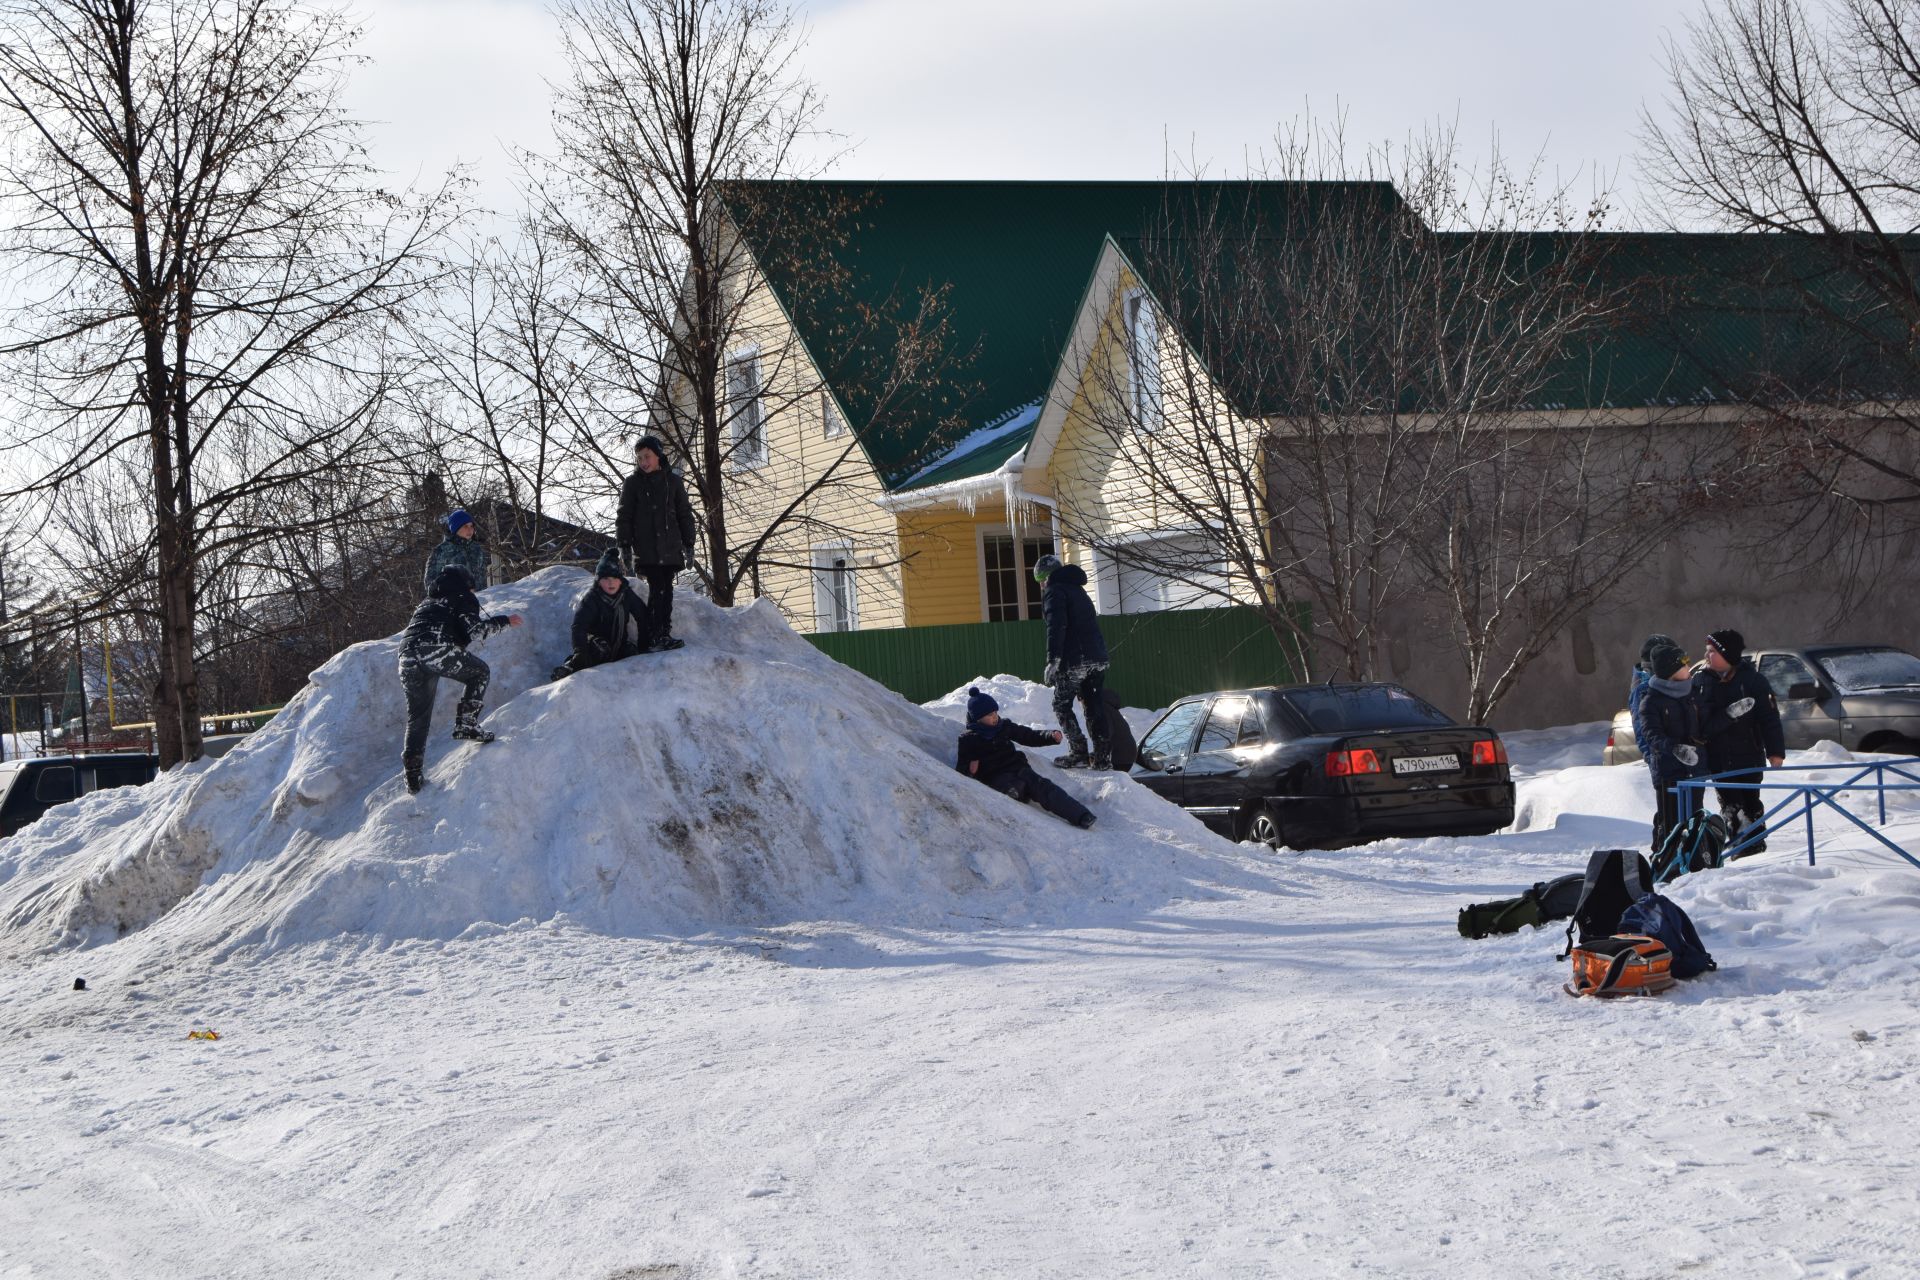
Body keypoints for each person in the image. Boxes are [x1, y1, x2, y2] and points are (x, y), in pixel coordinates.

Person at [398, 565, 522, 794]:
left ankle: (412, 775)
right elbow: (475, 630)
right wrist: (505, 621)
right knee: (479, 672)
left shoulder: (427, 602)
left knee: (418, 717)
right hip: (436, 648)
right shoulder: (463, 595)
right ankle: (467, 723)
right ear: (467, 583)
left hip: (406, 657)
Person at [1693, 628, 1786, 853]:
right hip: (1719, 758)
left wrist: (1775, 750)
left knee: (1752, 803)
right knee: (1731, 805)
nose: (1707, 656)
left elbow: (1769, 718)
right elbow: (1699, 724)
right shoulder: (1701, 681)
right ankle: (1738, 847)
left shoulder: (1753, 680)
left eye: (1712, 651)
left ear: (1728, 655)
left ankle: (1756, 845)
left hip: (1749, 755)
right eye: (1707, 651)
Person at [954, 687, 1095, 829]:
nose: (995, 717)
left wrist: (1049, 736)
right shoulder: (968, 739)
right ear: (978, 718)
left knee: (1045, 788)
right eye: (990, 715)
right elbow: (961, 770)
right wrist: (971, 769)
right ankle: (1016, 793)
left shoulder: (1004, 726)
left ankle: (1081, 815)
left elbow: (1027, 735)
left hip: (1018, 767)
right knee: (1010, 788)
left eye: (996, 712)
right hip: (996, 775)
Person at [616, 435, 698, 652]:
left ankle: (662, 632)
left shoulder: (674, 482)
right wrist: (624, 546)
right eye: (640, 458)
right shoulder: (632, 484)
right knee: (657, 588)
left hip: (670, 548)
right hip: (647, 548)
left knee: (666, 590)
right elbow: (624, 516)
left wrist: (689, 543)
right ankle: (653, 635)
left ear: (658, 455)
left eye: (647, 456)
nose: (643, 461)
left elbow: (684, 515)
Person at [1033, 553, 1112, 769]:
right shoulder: (1078, 590)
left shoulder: (1054, 592)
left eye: (1041, 581)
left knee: (1061, 704)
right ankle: (1103, 758)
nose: (1041, 586)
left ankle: (1078, 752)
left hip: (1075, 660)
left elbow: (1056, 626)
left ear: (1047, 577)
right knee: (1094, 706)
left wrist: (1053, 659)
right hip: (1097, 657)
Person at [1640, 641, 1707, 852]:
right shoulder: (1651, 701)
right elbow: (1651, 735)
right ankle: (1666, 861)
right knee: (1671, 824)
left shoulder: (1693, 693)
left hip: (1695, 769)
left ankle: (1694, 859)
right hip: (1669, 772)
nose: (1689, 667)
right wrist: (1675, 749)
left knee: (1695, 819)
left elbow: (1706, 725)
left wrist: (1729, 716)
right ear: (1670, 672)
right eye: (1683, 664)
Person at [551, 551, 650, 681]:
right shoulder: (592, 599)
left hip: (619, 644)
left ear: (621, 580)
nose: (611, 583)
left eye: (615, 578)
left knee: (631, 653)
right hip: (596, 643)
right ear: (598, 581)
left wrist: (644, 643)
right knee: (594, 654)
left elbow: (642, 616)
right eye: (606, 579)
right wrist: (580, 652)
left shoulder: (627, 595)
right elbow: (579, 627)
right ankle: (570, 667)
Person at [1627, 632, 1678, 762]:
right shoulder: (1643, 689)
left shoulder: (1665, 682)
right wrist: (1653, 758)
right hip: (1663, 760)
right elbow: (1642, 729)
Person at [423, 508, 490, 594]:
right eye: (465, 526)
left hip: (480, 600)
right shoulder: (441, 551)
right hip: (452, 603)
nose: (470, 529)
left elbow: (482, 577)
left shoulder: (477, 548)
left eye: (471, 526)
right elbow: (430, 584)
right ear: (456, 528)